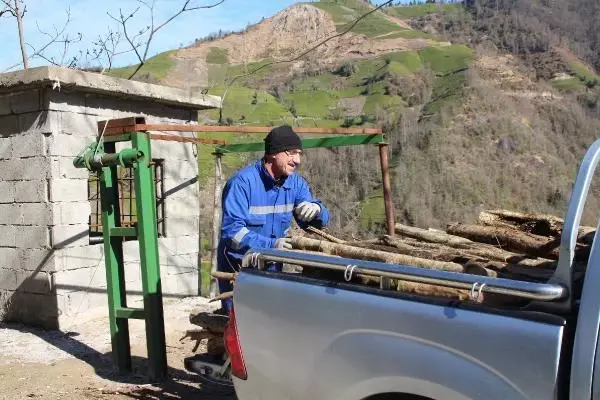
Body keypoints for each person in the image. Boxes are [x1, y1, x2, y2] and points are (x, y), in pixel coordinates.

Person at [215, 125, 330, 313]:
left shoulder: (295, 184)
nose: (297, 160)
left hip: (272, 268)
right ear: (274, 153)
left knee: (269, 320)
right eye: (292, 153)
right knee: (239, 325)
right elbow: (232, 233)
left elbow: (316, 225)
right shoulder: (242, 183)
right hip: (239, 269)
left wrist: (317, 210)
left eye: (299, 154)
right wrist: (272, 245)